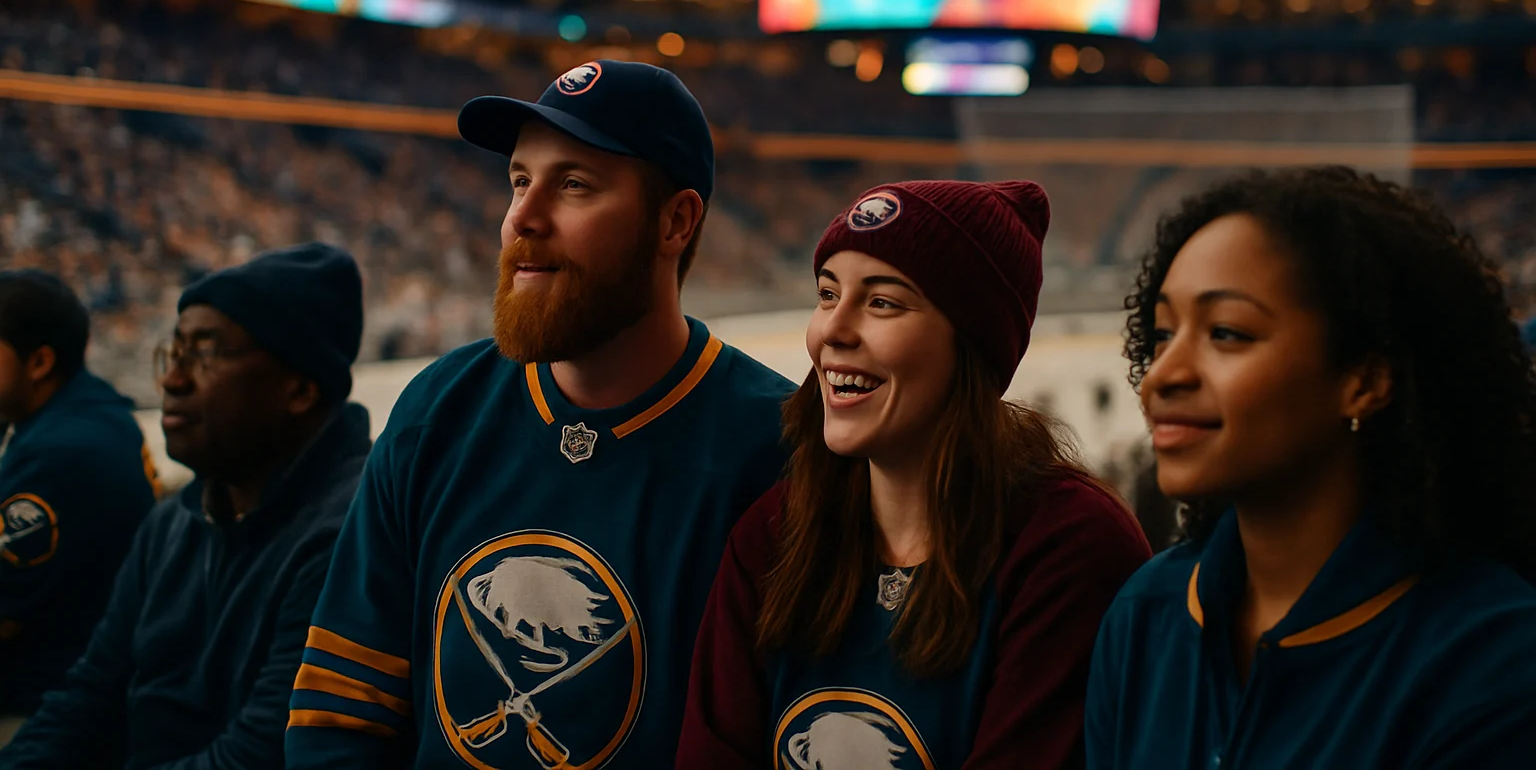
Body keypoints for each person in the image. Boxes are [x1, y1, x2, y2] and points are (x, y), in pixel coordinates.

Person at [285, 61, 792, 768]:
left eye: (574, 184)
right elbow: (341, 714)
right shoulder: (438, 409)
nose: (523, 215)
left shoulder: (779, 450)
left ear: (676, 222)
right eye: (520, 180)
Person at [677, 180, 1151, 769]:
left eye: (882, 302)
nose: (833, 331)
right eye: (827, 295)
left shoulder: (1069, 547)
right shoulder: (775, 531)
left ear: (972, 342)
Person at [1087, 167, 1536, 769]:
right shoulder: (1144, 614)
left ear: (1366, 380)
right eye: (1163, 334)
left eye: (1226, 333)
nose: (1164, 374)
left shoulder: (1495, 659)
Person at [1, 243, 371, 770]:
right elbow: (89, 693)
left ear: (300, 389)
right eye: (174, 353)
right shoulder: (174, 519)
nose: (172, 380)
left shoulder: (351, 533)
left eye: (204, 353)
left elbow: (258, 754)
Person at [0, 272, 159, 742]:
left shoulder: (55, 453)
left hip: (42, 708)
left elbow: (5, 614)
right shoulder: (98, 412)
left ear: (40, 362)